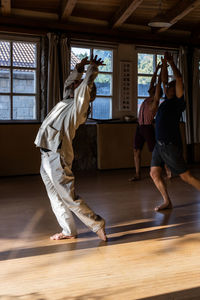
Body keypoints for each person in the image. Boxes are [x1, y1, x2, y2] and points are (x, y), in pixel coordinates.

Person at [34, 55, 107, 241]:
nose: (74, 85)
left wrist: (91, 70)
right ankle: (68, 230)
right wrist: (80, 67)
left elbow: (84, 88)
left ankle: (97, 224)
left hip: (56, 156)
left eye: (78, 85)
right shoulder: (66, 101)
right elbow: (70, 83)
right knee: (55, 197)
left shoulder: (78, 109)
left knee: (68, 196)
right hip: (46, 155)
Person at [150, 51, 200, 211]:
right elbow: (164, 81)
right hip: (159, 145)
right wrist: (164, 64)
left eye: (170, 87)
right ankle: (167, 201)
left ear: (176, 90)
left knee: (186, 176)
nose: (168, 87)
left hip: (170, 145)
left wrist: (171, 62)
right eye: (168, 86)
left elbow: (178, 79)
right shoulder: (166, 101)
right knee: (154, 173)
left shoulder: (178, 102)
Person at [129, 63, 163, 181]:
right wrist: (157, 70)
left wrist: (161, 73)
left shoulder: (155, 102)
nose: (150, 88)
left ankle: (165, 170)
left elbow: (157, 85)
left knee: (155, 151)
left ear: (156, 92)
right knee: (136, 150)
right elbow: (153, 82)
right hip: (140, 127)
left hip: (148, 128)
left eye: (153, 89)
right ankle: (137, 174)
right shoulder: (148, 98)